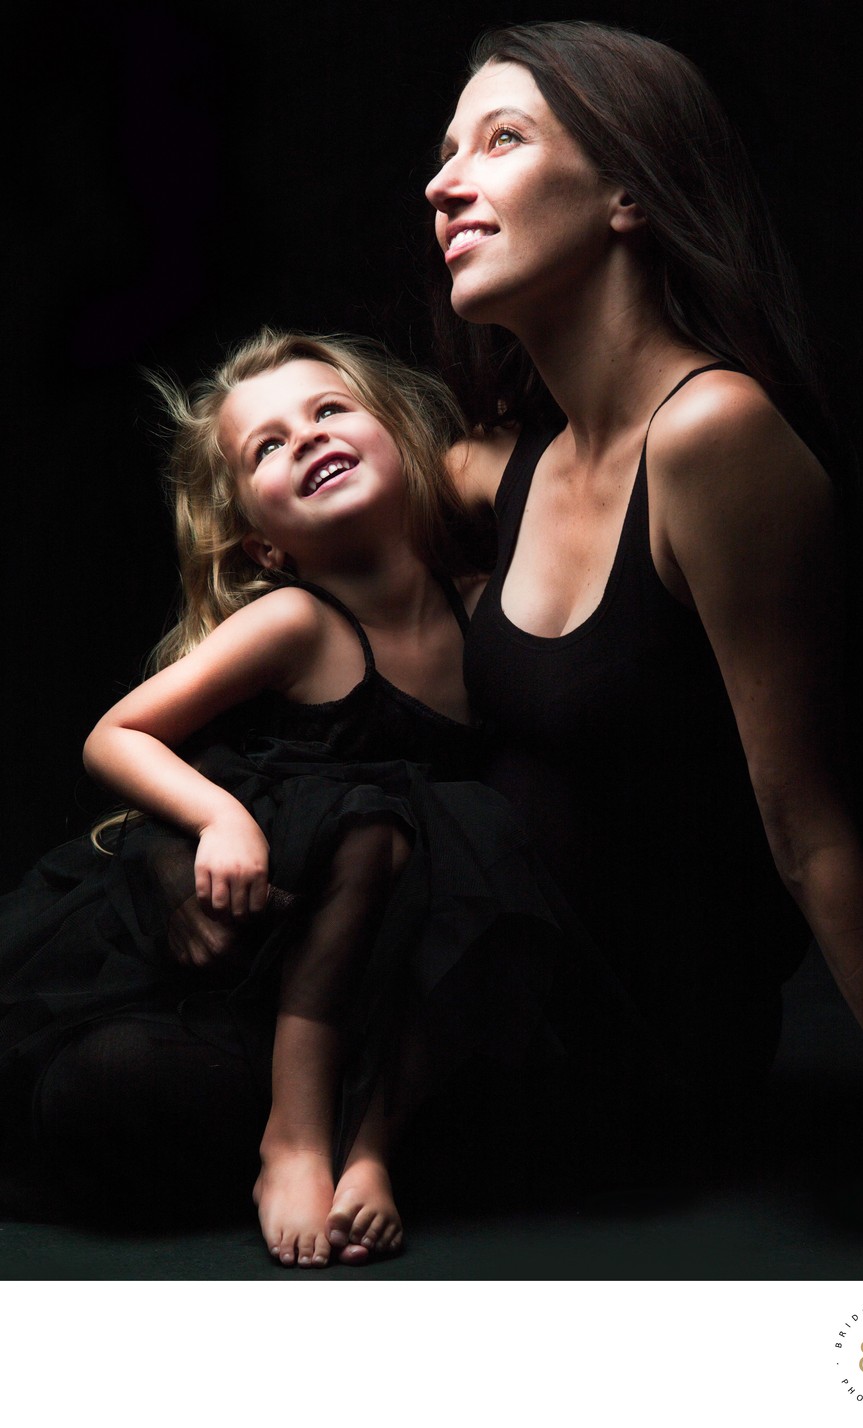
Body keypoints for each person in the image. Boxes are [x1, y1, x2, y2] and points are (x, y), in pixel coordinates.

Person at [424, 20, 863, 1221]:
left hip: (625, 1056)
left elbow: (805, 826)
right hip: (469, 1017)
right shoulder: (508, 464)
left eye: (499, 139)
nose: (443, 180)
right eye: (445, 149)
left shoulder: (712, 437)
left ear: (629, 191)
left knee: (126, 1087)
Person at [0, 329, 587, 1266]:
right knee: (365, 829)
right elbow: (115, 735)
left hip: (399, 969)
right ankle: (296, 1139)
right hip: (266, 936)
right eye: (266, 446)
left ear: (403, 437)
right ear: (262, 544)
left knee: (457, 834)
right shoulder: (295, 622)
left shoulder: (483, 609)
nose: (305, 438)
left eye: (328, 411)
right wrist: (219, 816)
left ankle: (367, 1151)